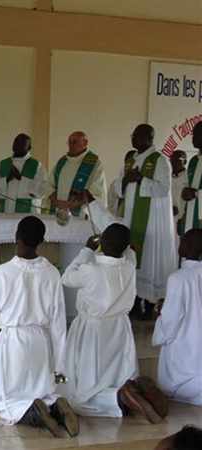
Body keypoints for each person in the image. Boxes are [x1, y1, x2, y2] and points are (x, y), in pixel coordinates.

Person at [0, 216, 77, 438]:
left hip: (14, 342)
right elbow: (58, 321)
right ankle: (53, 404)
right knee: (41, 389)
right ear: (41, 241)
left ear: (17, 237)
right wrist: (59, 365)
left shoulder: (3, 273)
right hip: (41, 343)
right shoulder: (51, 272)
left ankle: (31, 411)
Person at [61, 224, 167, 423]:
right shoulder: (129, 266)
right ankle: (132, 391)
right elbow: (130, 252)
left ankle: (117, 398)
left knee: (82, 392)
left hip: (93, 329)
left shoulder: (90, 270)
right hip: (120, 327)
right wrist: (125, 247)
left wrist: (86, 250)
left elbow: (66, 278)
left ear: (100, 242)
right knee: (118, 372)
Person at [110, 124, 177, 319]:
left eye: (137, 135)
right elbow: (118, 187)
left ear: (150, 138)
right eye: (133, 135)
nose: (133, 138)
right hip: (131, 217)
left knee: (149, 258)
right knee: (131, 257)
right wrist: (126, 180)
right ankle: (132, 302)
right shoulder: (130, 159)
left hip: (152, 220)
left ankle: (149, 304)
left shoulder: (160, 160)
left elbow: (163, 189)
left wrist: (140, 179)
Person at [152, 229, 202, 406]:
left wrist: (160, 314)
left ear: (184, 247)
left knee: (172, 385)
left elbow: (171, 321)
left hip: (185, 349)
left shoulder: (178, 278)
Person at [47, 131, 107, 217]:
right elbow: (49, 185)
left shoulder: (94, 163)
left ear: (85, 143)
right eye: (69, 142)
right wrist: (56, 201)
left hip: (81, 213)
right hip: (58, 210)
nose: (71, 145)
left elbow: (96, 190)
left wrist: (73, 204)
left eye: (74, 142)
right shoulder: (62, 162)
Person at [0, 133, 48, 213]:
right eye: (16, 142)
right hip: (4, 212)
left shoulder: (37, 166)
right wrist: (6, 179)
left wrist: (21, 179)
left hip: (27, 213)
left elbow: (42, 190)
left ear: (29, 148)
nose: (17, 145)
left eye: (22, 143)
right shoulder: (2, 165)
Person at [182, 122, 202, 233]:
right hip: (190, 215)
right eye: (193, 134)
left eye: (197, 134)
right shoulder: (193, 161)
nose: (193, 138)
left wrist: (196, 194)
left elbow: (193, 192)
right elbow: (186, 185)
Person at [108, 150, 136, 216]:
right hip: (117, 218)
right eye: (128, 162)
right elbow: (112, 204)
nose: (130, 165)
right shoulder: (115, 184)